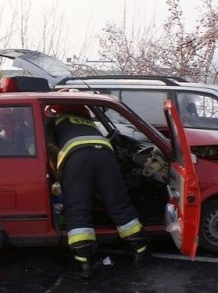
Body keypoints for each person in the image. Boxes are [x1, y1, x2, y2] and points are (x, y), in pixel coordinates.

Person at [48, 104, 149, 279]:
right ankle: (140, 250)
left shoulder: (55, 121)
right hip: (104, 153)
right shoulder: (87, 120)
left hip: (75, 157)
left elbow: (48, 148)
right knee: (118, 202)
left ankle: (83, 261)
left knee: (78, 206)